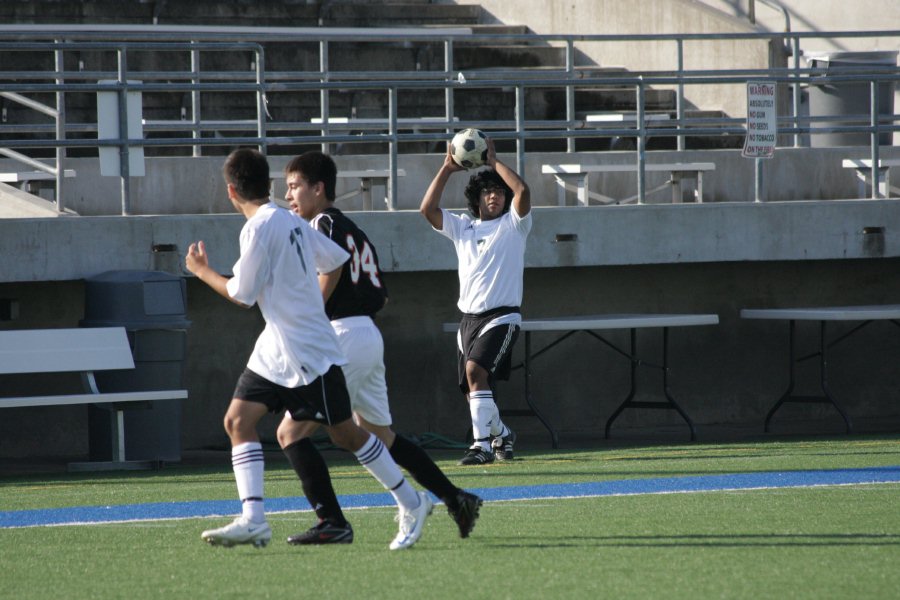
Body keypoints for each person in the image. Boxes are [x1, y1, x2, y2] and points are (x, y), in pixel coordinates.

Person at [187, 148, 432, 551]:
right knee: (237, 421)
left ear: (231, 192)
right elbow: (335, 260)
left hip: (308, 352)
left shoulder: (261, 227)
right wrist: (308, 304)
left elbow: (241, 293)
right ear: (268, 186)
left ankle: (411, 499)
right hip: (275, 348)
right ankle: (253, 519)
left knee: (347, 435)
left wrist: (201, 272)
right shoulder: (288, 220)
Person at [278, 150, 483, 542]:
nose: (288, 195)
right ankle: (455, 498)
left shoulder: (320, 223)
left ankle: (331, 522)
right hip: (366, 335)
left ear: (318, 189)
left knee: (291, 432)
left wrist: (308, 321)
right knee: (373, 435)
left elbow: (329, 274)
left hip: (340, 338)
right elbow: (380, 295)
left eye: (294, 186)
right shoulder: (352, 228)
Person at [420, 136, 532, 466]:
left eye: (499, 191)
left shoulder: (515, 225)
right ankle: (502, 434)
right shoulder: (463, 226)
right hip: (468, 320)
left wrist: (493, 160)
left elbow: (523, 192)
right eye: (487, 191)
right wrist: (445, 169)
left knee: (475, 371)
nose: (494, 195)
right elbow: (427, 210)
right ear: (477, 197)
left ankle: (480, 445)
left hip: (502, 316)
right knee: (472, 387)